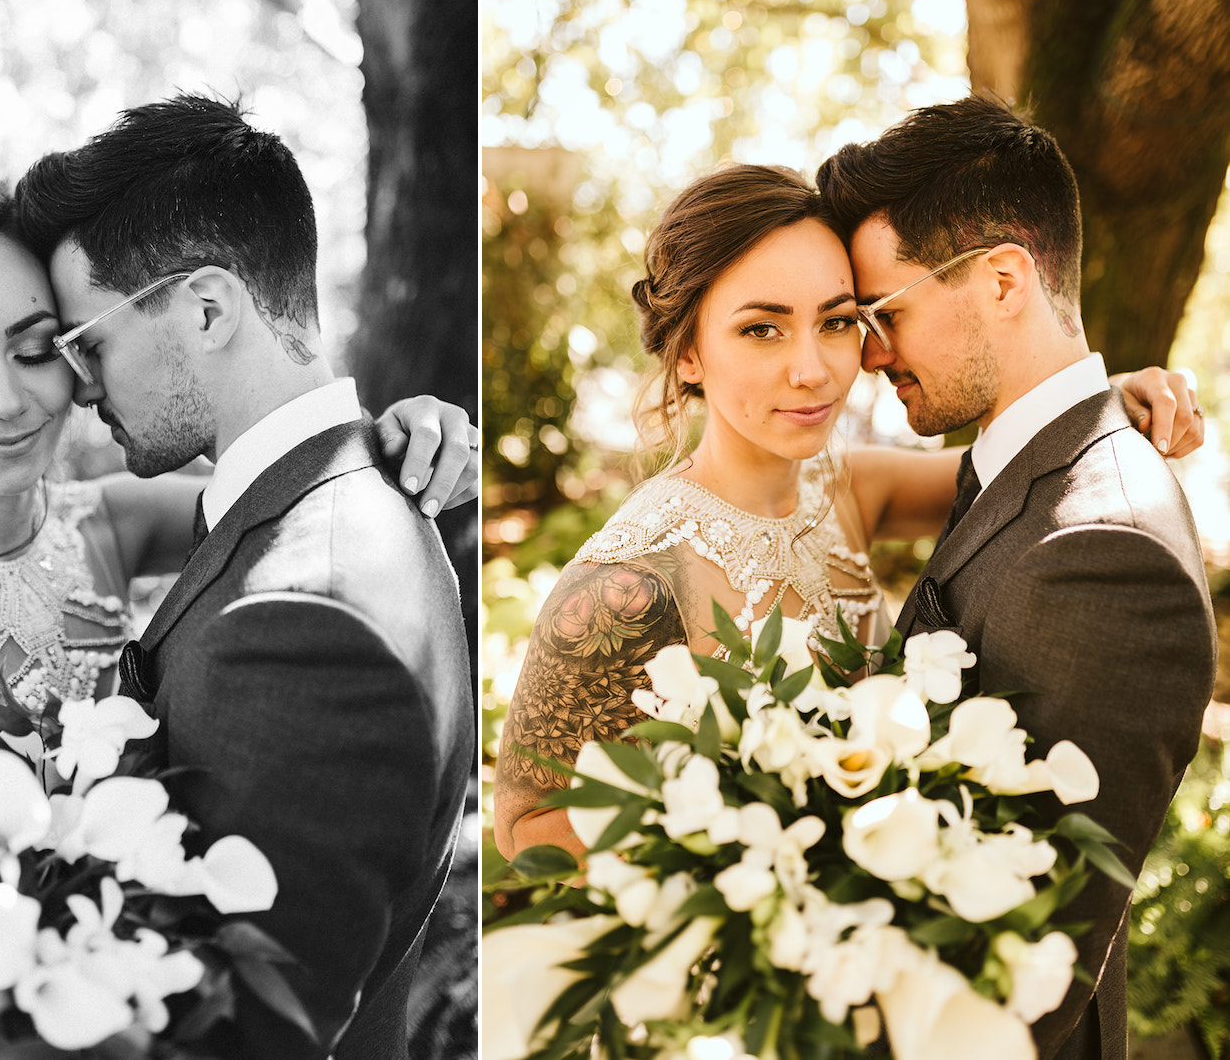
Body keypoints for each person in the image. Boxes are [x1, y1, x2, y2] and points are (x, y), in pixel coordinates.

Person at [492, 161, 1198, 866]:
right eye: (762, 330)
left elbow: (1027, 472)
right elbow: (527, 830)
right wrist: (749, 846)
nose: (814, 369)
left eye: (835, 322)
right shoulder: (628, 586)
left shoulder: (851, 486)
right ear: (687, 354)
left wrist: (1112, 395)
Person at [0, 175, 477, 807]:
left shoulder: (112, 523)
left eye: (34, 351)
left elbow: (298, 487)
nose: (7, 401)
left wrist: (400, 432)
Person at [11, 94, 474, 1060]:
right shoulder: (342, 496)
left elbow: (246, 1032)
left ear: (209, 308)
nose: (81, 390)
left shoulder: (306, 616)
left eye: (86, 344)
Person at [815, 94, 1215, 1060]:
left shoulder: (1104, 551)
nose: (867, 358)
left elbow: (1013, 966)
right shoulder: (1024, 464)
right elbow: (849, 490)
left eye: (884, 314)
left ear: (1003, 280)